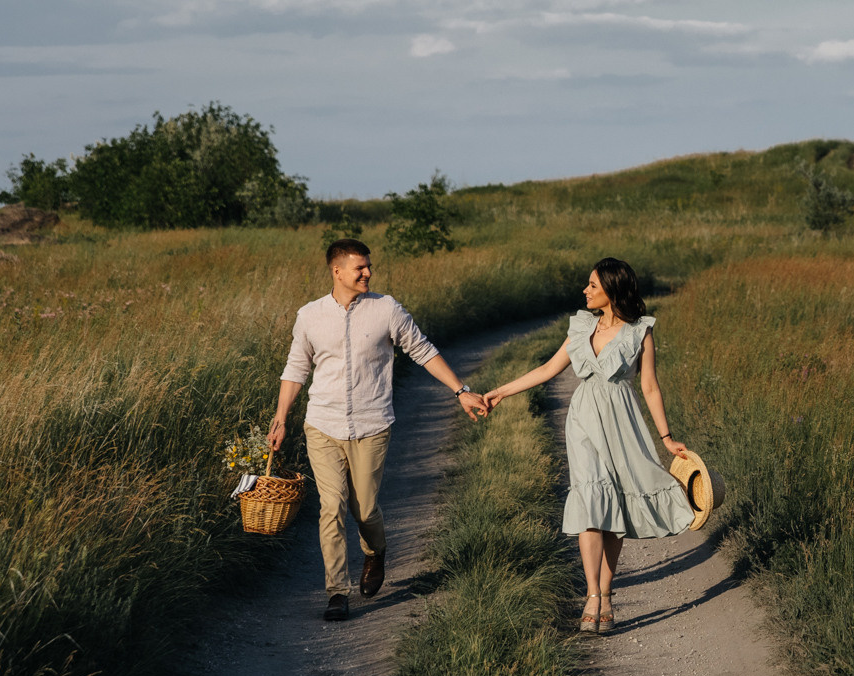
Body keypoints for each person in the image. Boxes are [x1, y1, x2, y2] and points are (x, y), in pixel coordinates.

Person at [273, 238, 487, 621]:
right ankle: (337, 592)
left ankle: (375, 552)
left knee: (365, 508)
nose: (368, 273)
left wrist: (460, 391)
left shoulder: (386, 309)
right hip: (322, 425)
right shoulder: (309, 316)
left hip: (372, 425)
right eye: (360, 268)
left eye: (369, 266)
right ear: (337, 271)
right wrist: (281, 416)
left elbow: (422, 350)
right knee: (331, 507)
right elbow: (296, 369)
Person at [480, 258, 695, 632]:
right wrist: (501, 391)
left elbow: (649, 387)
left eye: (592, 285)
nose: (585, 290)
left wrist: (666, 438)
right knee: (591, 500)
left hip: (622, 422)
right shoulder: (581, 327)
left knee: (616, 510)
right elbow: (549, 369)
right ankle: (592, 594)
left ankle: (607, 594)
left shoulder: (640, 331)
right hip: (582, 423)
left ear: (612, 290)